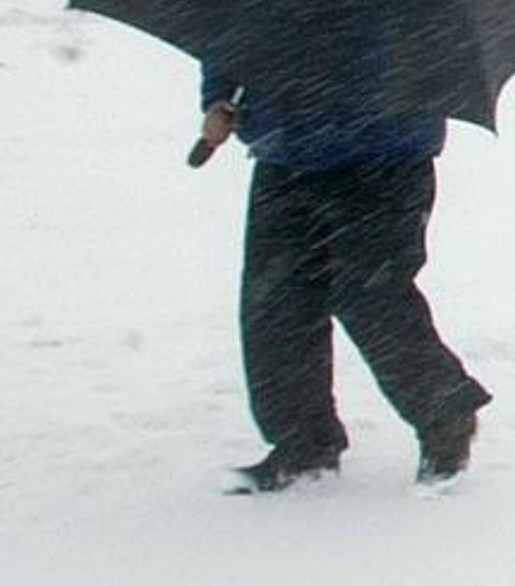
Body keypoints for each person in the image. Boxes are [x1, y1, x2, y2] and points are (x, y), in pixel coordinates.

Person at [197, 70, 492, 493]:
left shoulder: (400, 20)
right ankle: (303, 444)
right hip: (284, 153)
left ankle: (445, 415)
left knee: (370, 296)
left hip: (384, 156)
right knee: (276, 303)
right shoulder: (265, 18)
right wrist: (219, 98)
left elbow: (418, 59)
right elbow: (232, 41)